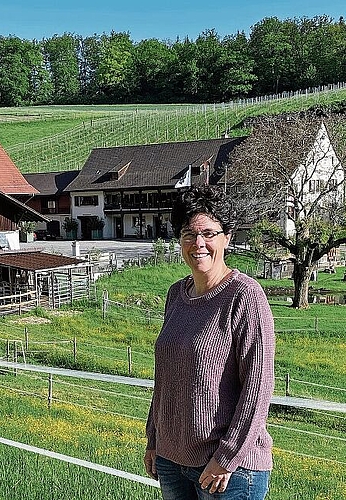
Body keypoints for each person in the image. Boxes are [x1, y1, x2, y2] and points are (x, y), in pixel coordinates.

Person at [143, 184, 275, 499]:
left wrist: (227, 458)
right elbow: (166, 379)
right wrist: (154, 440)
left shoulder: (245, 296)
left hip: (229, 471)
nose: (198, 243)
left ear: (227, 238)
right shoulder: (176, 294)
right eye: (188, 234)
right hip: (172, 462)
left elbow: (258, 388)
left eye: (208, 234)